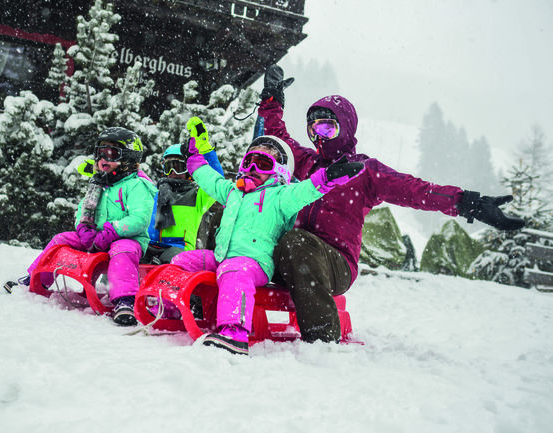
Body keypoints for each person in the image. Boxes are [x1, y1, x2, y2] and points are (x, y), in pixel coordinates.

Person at [258, 65, 526, 344]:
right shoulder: (308, 163)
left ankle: (322, 339)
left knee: (296, 241)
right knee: (240, 222)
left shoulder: (364, 171)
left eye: (327, 127)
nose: (319, 137)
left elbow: (417, 190)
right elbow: (278, 137)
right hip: (294, 255)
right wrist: (272, 100)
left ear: (345, 128)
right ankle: (222, 308)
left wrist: (469, 203)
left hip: (334, 263)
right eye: (313, 130)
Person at [170, 126, 366, 355]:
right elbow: (209, 178)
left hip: (256, 263)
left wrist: (328, 177)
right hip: (221, 256)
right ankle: (178, 309)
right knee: (182, 260)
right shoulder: (233, 192)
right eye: (248, 162)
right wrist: (194, 158)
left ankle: (234, 333)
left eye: (262, 164)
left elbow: (306, 190)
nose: (252, 168)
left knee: (235, 271)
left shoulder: (280, 196)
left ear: (280, 172)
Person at [22, 127, 157, 326]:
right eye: (99, 153)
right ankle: (36, 279)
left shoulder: (136, 185)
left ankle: (124, 300)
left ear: (127, 158)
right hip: (96, 236)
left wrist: (113, 230)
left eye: (110, 153)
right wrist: (83, 228)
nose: (103, 158)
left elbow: (140, 219)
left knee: (123, 250)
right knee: (61, 240)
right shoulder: (98, 183)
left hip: (129, 238)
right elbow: (82, 209)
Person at [146, 117, 224, 264]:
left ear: (189, 169)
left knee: (172, 262)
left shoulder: (198, 196)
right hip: (150, 245)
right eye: (169, 167)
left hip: (178, 248)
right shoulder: (156, 192)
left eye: (179, 166)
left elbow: (216, 179)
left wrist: (204, 147)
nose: (173, 172)